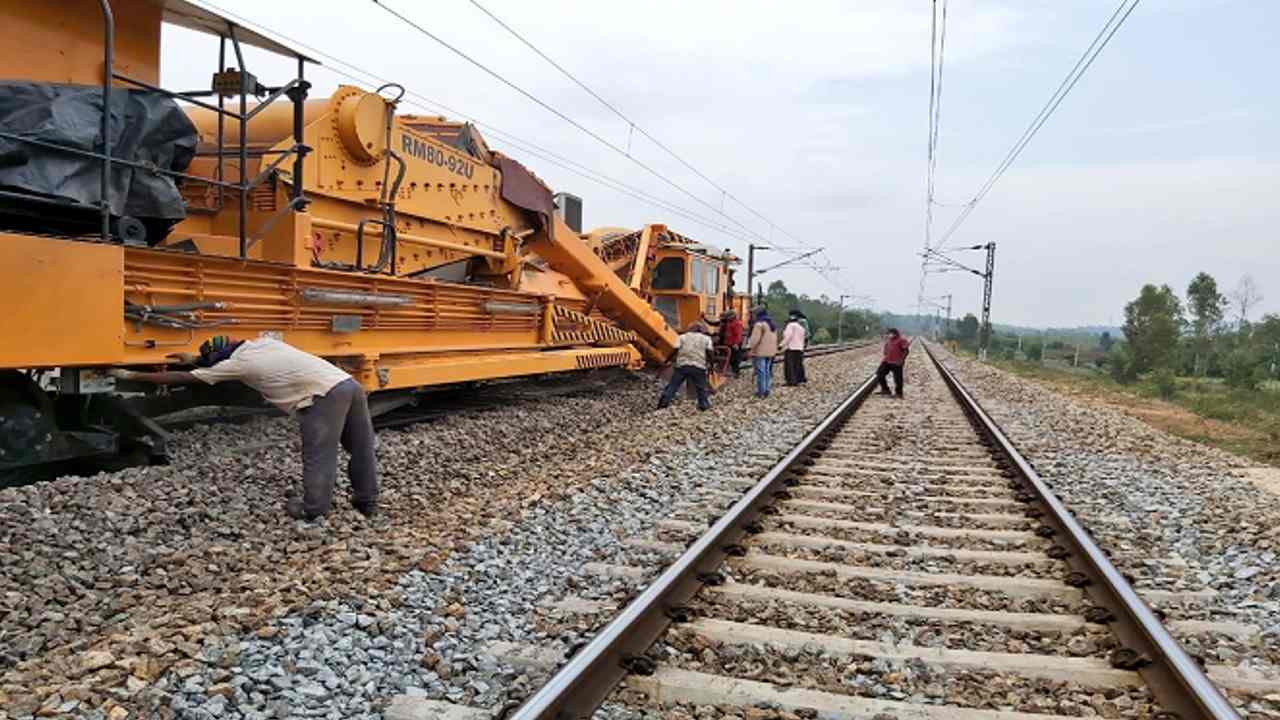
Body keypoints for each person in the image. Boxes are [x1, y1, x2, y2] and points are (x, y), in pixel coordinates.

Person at [108, 335, 379, 521]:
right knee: (360, 446)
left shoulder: (239, 364)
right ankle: (366, 502)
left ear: (221, 358)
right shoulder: (262, 343)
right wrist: (195, 357)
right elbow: (219, 357)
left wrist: (131, 375)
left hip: (321, 397)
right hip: (348, 384)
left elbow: (185, 377)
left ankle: (313, 510)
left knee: (320, 453)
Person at [658, 322, 715, 411]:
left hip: (682, 366)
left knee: (673, 386)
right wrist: (711, 365)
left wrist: (666, 361)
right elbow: (710, 353)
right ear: (700, 330)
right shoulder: (706, 339)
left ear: (690, 329)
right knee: (701, 387)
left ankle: (663, 404)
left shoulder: (682, 337)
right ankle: (704, 405)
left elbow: (675, 350)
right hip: (698, 366)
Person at [747, 308, 779, 398]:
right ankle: (767, 390)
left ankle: (761, 391)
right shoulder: (772, 324)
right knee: (767, 371)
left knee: (761, 372)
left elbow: (754, 340)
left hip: (760, 352)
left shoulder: (759, 324)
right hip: (771, 352)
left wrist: (750, 348)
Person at [876, 328, 911, 397]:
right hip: (887, 361)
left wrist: (902, 360)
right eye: (889, 334)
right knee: (879, 374)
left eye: (890, 334)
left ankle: (899, 393)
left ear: (895, 334)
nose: (889, 335)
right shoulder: (888, 340)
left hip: (896, 362)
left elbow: (906, 351)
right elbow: (885, 350)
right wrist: (886, 355)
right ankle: (885, 390)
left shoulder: (901, 340)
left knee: (898, 379)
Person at [782, 310, 807, 386]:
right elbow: (804, 337)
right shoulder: (801, 327)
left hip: (791, 348)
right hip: (799, 348)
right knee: (797, 365)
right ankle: (798, 379)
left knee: (790, 366)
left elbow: (787, 337)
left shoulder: (790, 326)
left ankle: (791, 381)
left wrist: (781, 345)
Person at [719, 310, 744, 376]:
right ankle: (732, 371)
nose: (727, 318)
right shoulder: (729, 322)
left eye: (728, 317)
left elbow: (738, 335)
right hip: (729, 343)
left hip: (734, 344)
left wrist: (736, 343)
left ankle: (736, 372)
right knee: (730, 358)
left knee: (735, 358)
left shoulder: (737, 323)